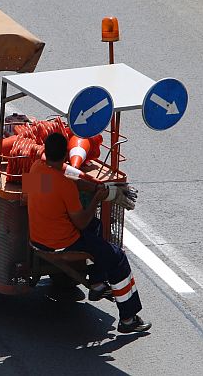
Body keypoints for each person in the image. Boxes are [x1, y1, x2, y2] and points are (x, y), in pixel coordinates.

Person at [26, 132, 151, 334]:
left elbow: (62, 178)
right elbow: (81, 222)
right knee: (117, 257)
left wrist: (92, 187)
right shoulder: (65, 186)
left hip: (38, 238)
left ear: (46, 153)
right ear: (66, 155)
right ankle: (128, 318)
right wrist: (96, 198)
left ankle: (98, 282)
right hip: (63, 243)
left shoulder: (37, 169)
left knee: (97, 227)